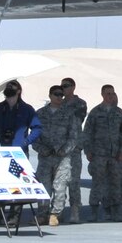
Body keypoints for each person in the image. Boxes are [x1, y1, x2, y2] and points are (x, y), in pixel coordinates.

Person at [32, 85, 81, 228]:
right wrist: (41, 149)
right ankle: (42, 214)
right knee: (44, 187)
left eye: (61, 95)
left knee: (60, 186)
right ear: (50, 95)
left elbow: (73, 136)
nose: (59, 97)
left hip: (62, 157)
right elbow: (34, 136)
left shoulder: (69, 114)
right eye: (56, 94)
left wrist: (64, 150)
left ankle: (55, 213)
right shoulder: (40, 114)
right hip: (45, 156)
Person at [81, 85, 122, 222]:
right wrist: (88, 151)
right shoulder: (95, 112)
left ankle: (115, 212)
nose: (110, 96)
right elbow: (87, 133)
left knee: (116, 184)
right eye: (108, 93)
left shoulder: (119, 113)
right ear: (102, 94)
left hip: (115, 155)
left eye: (112, 93)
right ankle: (94, 211)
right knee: (97, 183)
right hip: (99, 154)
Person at [59, 78, 89, 222]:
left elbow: (76, 120)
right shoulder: (59, 103)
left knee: (74, 181)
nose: (63, 89)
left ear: (73, 87)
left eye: (66, 86)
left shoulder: (80, 104)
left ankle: (75, 210)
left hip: (74, 147)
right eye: (62, 86)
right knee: (59, 180)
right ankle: (57, 209)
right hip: (60, 147)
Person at [0, 82, 36, 151]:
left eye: (12, 86)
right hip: (1, 150)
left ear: (18, 91)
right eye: (8, 86)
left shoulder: (27, 109)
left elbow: (37, 128)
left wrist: (26, 141)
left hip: (20, 151)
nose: (9, 87)